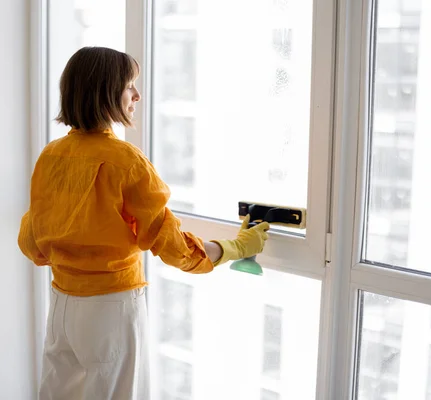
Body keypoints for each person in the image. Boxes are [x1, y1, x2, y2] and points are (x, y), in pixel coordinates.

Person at [18, 46, 270, 400]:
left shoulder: (51, 155)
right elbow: (170, 244)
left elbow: (32, 241)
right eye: (128, 85)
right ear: (103, 92)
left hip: (61, 305)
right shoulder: (125, 161)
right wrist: (234, 248)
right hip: (110, 309)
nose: (136, 94)